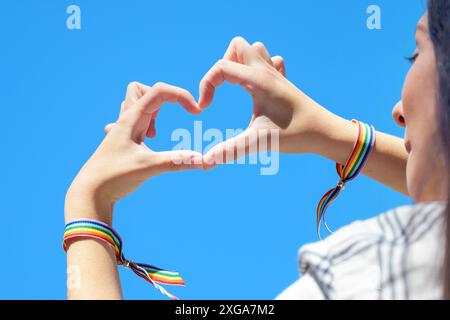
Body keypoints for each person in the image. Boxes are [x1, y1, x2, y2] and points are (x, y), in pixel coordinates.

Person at [64, 1, 449, 300]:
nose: (396, 112)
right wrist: (333, 134)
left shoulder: (373, 267)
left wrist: (89, 206)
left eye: (416, 53)